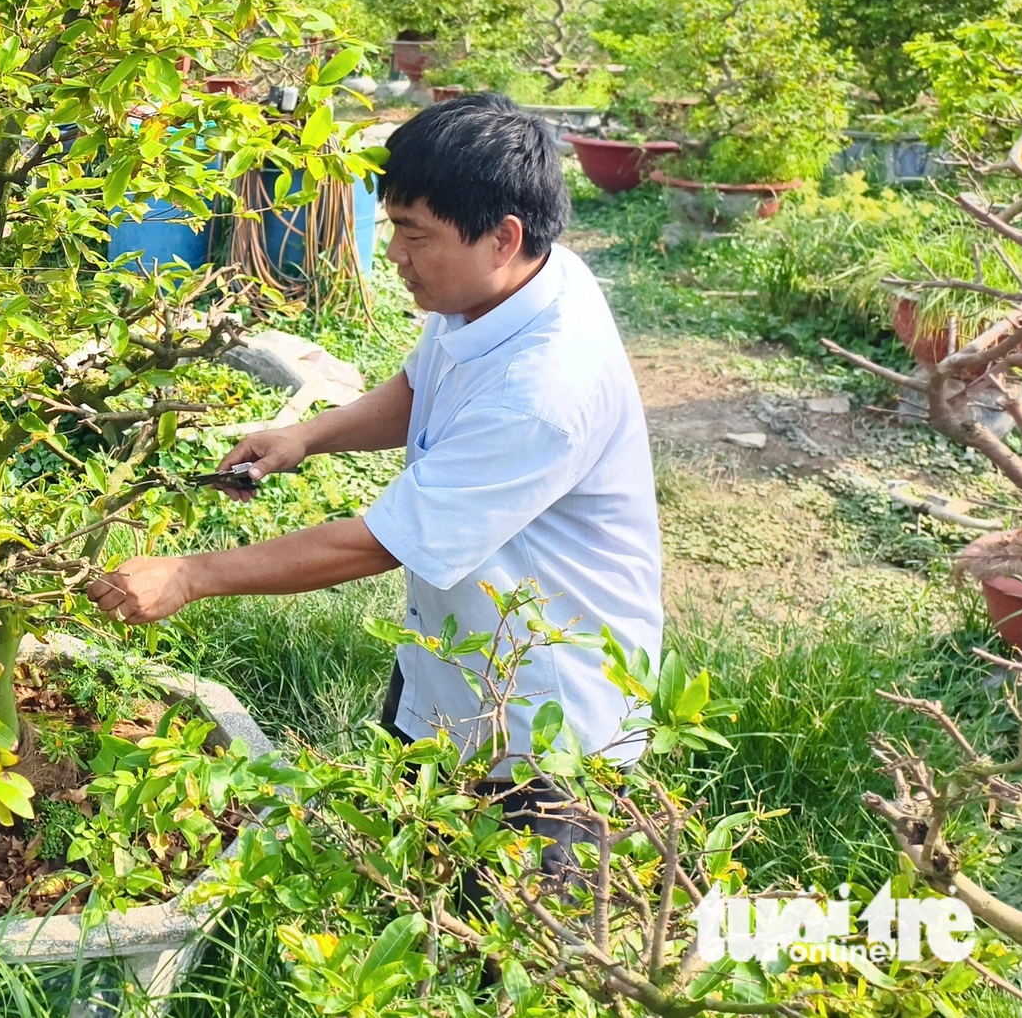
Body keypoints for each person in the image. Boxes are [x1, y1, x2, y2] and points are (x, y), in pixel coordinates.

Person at [88, 93, 663, 856]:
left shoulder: (546, 391)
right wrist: (306, 436)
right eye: (393, 227)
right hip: (455, 654)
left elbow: (380, 542)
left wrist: (192, 574)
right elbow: (423, 384)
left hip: (545, 721)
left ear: (504, 236)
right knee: (420, 880)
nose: (394, 254)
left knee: (517, 948)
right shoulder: (507, 286)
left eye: (414, 235)